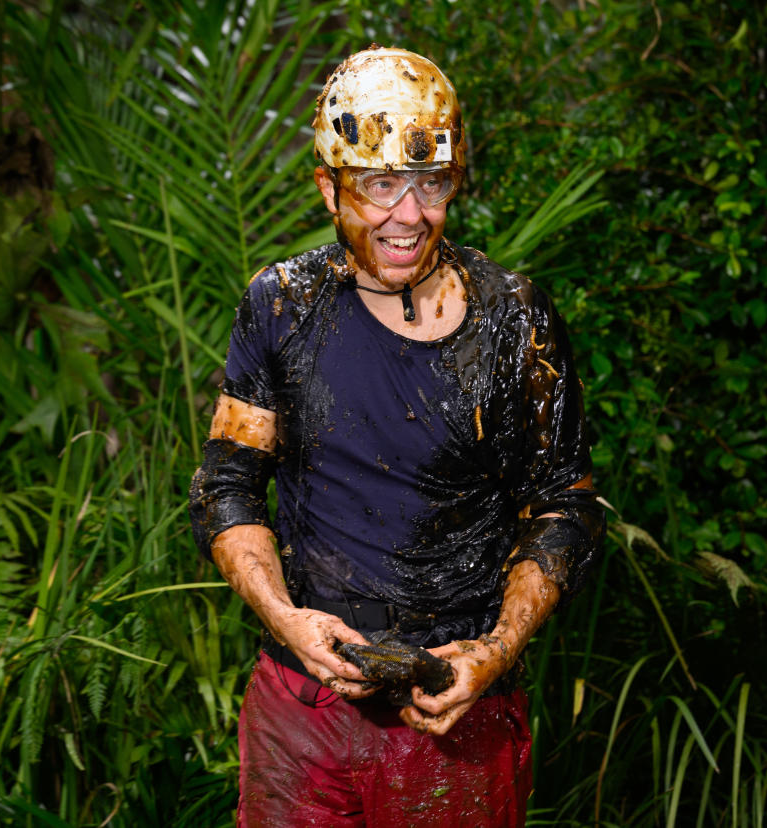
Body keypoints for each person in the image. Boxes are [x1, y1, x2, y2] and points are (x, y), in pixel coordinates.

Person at [189, 45, 605, 827]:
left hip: (456, 715)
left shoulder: (516, 320)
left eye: (431, 183)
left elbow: (567, 508)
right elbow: (227, 482)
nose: (408, 215)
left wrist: (497, 650)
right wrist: (284, 618)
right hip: (303, 711)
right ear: (329, 187)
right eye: (381, 185)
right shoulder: (281, 305)